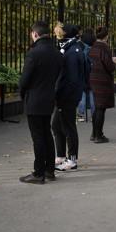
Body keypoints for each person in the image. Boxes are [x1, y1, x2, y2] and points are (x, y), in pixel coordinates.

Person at [18, 21, 63, 184]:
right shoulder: (57, 53)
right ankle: (49, 170)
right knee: (47, 134)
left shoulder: (34, 53)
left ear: (35, 34)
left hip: (34, 100)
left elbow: (25, 79)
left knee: (38, 137)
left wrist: (22, 94)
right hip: (49, 98)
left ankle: (38, 173)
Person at [53, 24, 86, 171]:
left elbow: (72, 78)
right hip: (65, 94)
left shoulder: (72, 51)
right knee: (56, 125)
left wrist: (64, 93)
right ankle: (60, 156)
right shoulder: (70, 48)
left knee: (68, 127)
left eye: (59, 33)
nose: (56, 35)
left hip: (67, 95)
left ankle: (72, 159)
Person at [89, 26, 116, 143]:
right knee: (101, 108)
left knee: (96, 107)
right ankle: (98, 135)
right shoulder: (104, 48)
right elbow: (109, 66)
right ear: (106, 36)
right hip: (103, 81)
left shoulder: (93, 47)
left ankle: (94, 133)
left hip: (93, 79)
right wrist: (114, 62)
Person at [77, 29, 96, 122]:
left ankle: (81, 114)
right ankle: (94, 114)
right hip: (92, 75)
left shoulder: (80, 48)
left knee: (82, 94)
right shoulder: (93, 49)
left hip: (83, 74)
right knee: (92, 94)